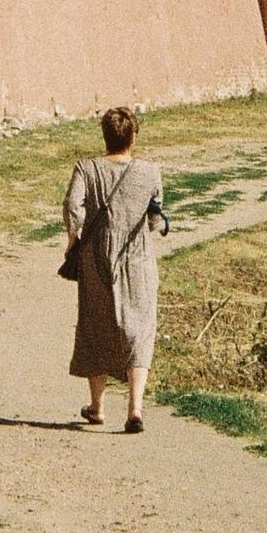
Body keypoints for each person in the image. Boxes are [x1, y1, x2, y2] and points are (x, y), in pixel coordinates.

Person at [64, 104, 168, 434]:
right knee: (139, 327)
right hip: (137, 256)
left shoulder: (86, 168)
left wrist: (73, 238)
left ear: (105, 136)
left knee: (97, 323)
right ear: (133, 136)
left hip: (96, 256)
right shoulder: (150, 171)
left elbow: (71, 205)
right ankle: (135, 407)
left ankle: (97, 406)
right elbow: (154, 218)